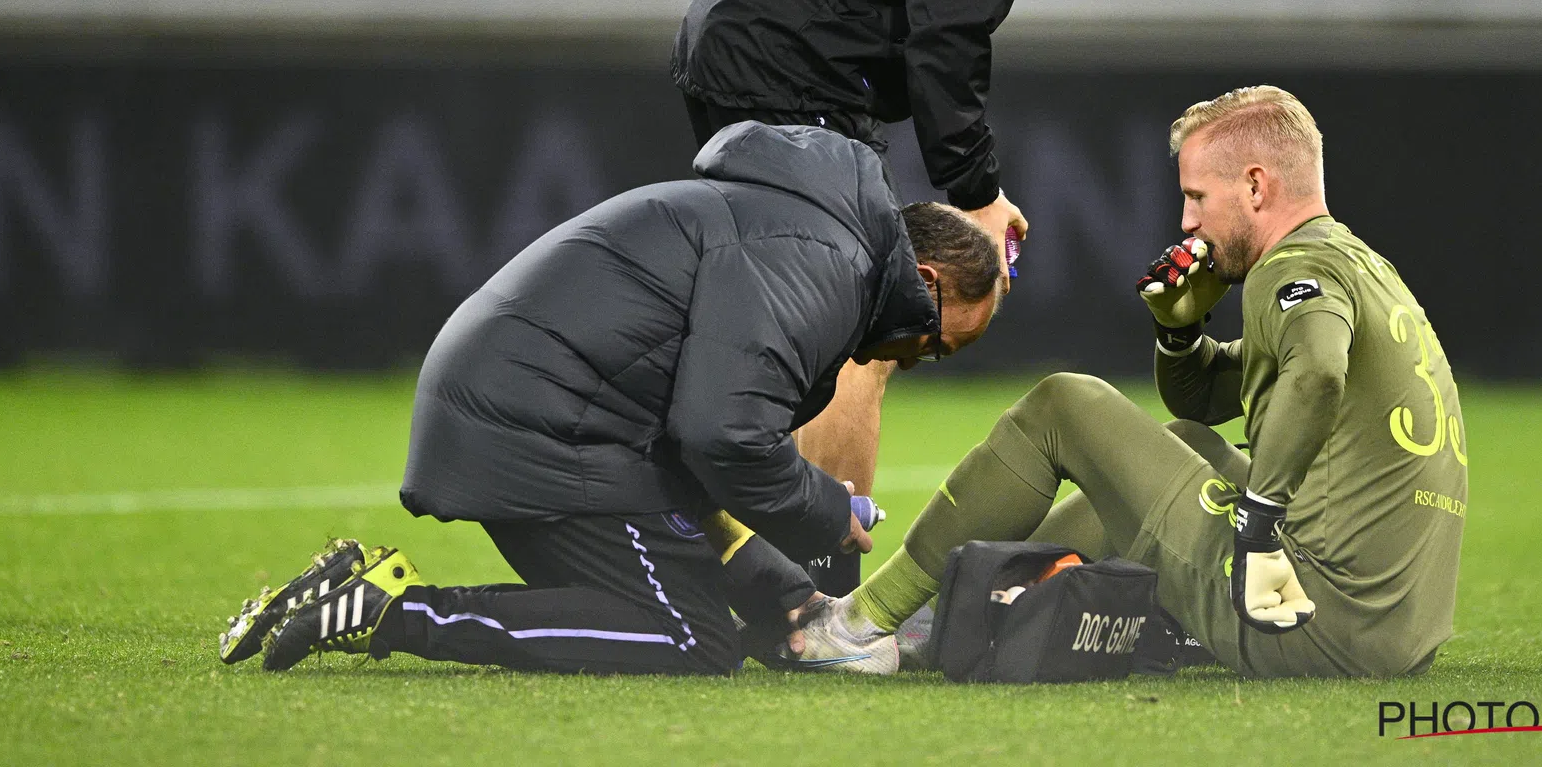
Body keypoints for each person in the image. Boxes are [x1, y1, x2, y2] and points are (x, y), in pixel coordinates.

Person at [672, 0, 1144, 593]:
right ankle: (819, 602)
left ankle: (723, 573)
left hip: (721, 34)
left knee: (769, 327)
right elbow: (948, 27)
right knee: (862, 336)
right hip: (796, 73)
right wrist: (974, 189)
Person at [216, 121, 1006, 676]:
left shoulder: (812, 238)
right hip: (535, 425)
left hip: (537, 407)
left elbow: (690, 462)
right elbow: (721, 436)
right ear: (926, 283)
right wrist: (825, 509)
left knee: (693, 593)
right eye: (937, 344)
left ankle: (354, 585)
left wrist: (792, 602)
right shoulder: (824, 267)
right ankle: (393, 609)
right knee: (692, 641)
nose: (921, 358)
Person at [794, 86, 1469, 678]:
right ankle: (945, 615)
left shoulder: (1288, 272)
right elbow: (1213, 398)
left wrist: (1259, 527)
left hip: (1307, 616)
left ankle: (859, 622)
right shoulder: (1356, 264)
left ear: (1257, 187)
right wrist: (1180, 336)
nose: (1187, 222)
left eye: (1198, 196)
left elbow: (1317, 374)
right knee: (1188, 442)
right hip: (1395, 631)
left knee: (1063, 405)